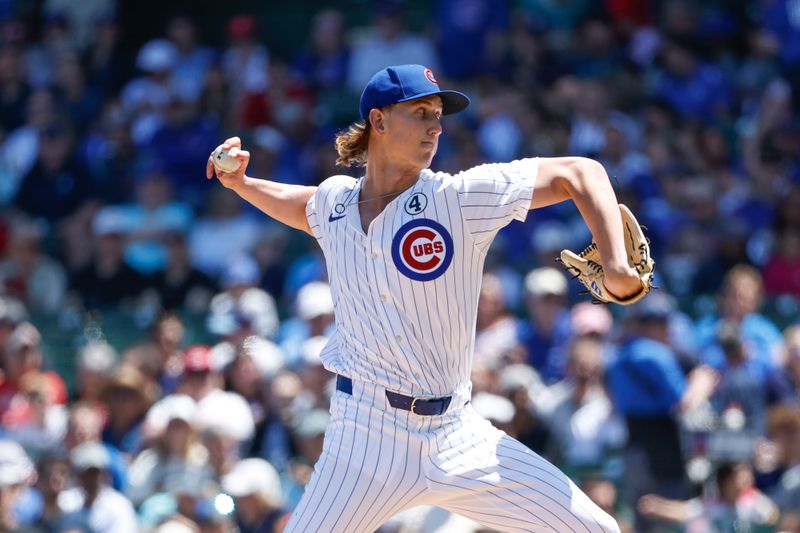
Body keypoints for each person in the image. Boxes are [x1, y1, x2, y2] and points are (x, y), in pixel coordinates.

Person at [206, 64, 645, 532]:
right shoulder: (334, 203)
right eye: (420, 112)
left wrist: (616, 263)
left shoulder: (457, 198)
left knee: (598, 529)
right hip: (364, 437)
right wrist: (243, 185)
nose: (436, 126)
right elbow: (301, 205)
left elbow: (581, 171)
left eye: (438, 114)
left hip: (456, 433)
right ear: (378, 121)